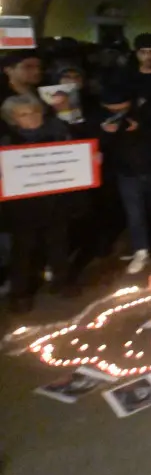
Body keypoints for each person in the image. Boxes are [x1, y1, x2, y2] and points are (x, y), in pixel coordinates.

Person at [1, 95, 86, 312]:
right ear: (12, 119)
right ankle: (20, 293)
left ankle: (63, 282)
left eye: (35, 112)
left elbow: (75, 157)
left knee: (58, 243)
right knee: (22, 250)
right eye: (24, 115)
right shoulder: (7, 141)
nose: (32, 118)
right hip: (22, 208)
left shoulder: (58, 132)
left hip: (55, 202)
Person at [98, 82, 151, 274]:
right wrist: (106, 134)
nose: (119, 112)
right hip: (128, 174)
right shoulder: (103, 119)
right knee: (135, 215)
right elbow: (101, 145)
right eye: (113, 109)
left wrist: (142, 128)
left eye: (122, 108)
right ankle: (141, 251)